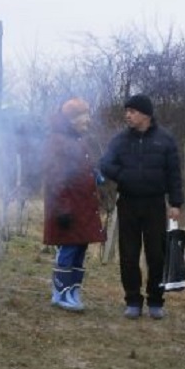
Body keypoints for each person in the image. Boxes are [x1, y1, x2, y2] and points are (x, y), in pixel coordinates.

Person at [99, 94, 183, 320]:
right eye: (126, 111)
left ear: (146, 114)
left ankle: (156, 301)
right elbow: (105, 164)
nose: (127, 115)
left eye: (132, 111)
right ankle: (133, 300)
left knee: (156, 255)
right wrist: (122, 176)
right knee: (128, 255)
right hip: (127, 202)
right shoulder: (120, 140)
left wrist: (176, 203)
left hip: (155, 204)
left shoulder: (165, 140)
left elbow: (174, 173)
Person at [42, 98, 106, 312]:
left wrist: (94, 174)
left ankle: (73, 290)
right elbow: (54, 178)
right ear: (71, 119)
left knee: (80, 248)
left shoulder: (79, 140)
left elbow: (79, 168)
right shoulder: (57, 142)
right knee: (68, 249)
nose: (88, 120)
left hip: (83, 205)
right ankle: (60, 292)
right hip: (68, 208)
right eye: (84, 116)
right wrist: (61, 208)